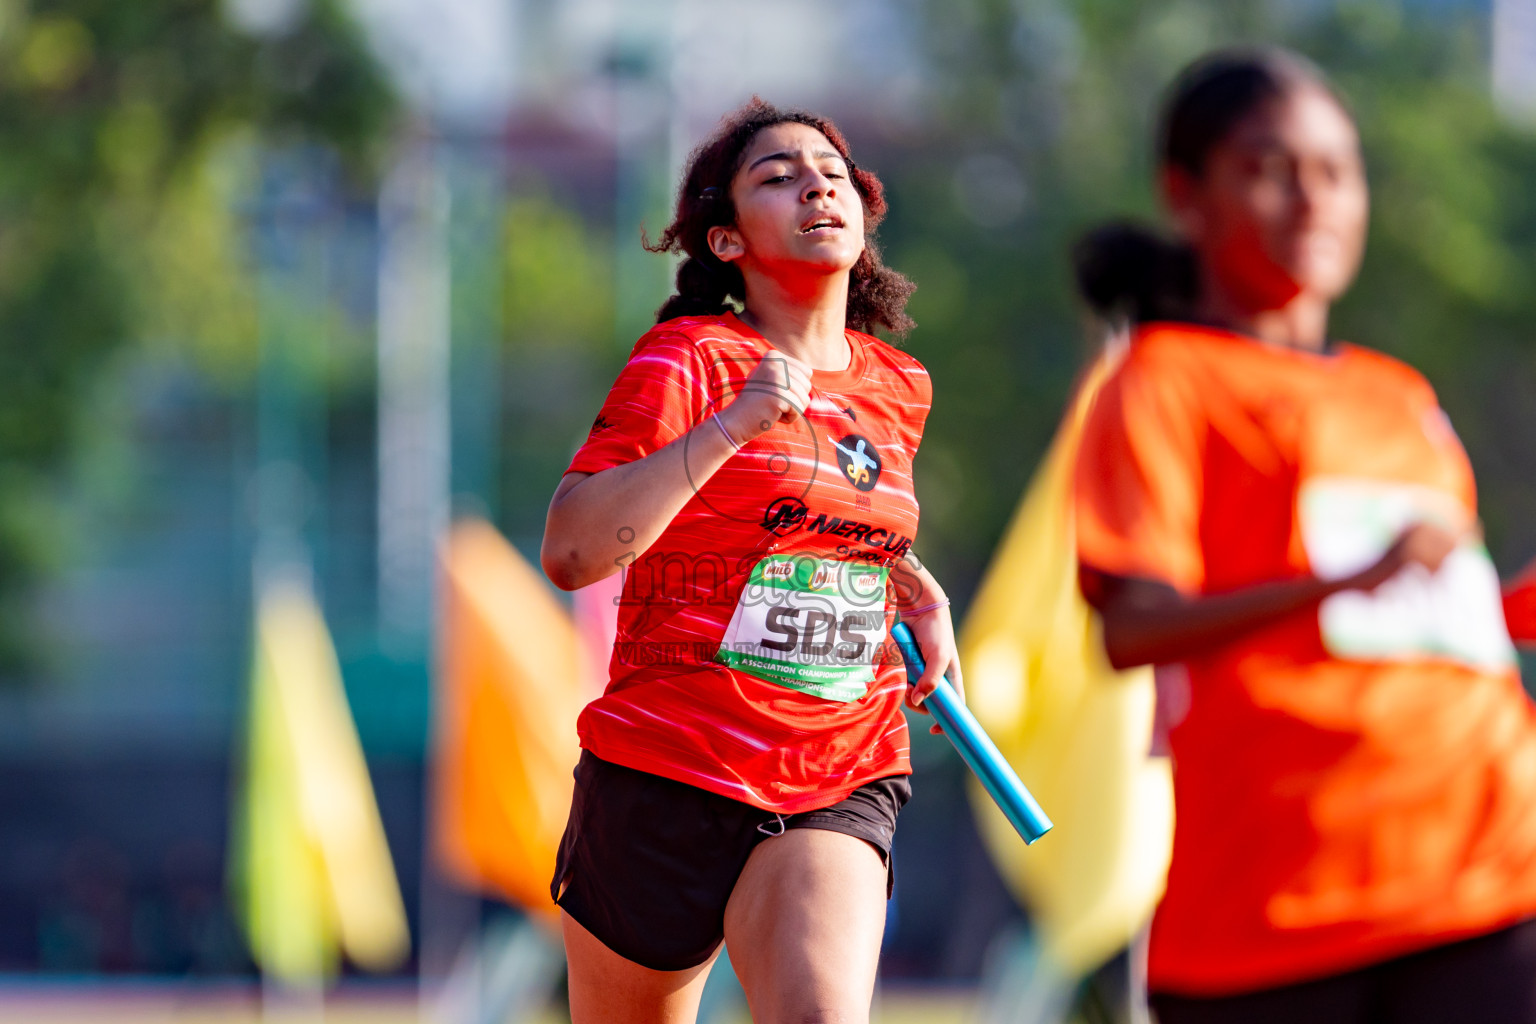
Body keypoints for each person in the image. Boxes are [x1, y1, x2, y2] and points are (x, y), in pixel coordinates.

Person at [1071, 48, 1536, 1023]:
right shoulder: (1162, 380)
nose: (1314, 198)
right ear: (1185, 195)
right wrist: (1343, 582)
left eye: (1338, 169)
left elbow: (1428, 629)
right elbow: (1137, 631)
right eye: (1270, 167)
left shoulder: (1398, 393)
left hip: (1491, 869)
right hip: (1275, 912)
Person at [539, 98, 960, 1024]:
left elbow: (824, 518)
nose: (816, 182)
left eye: (833, 172)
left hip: (838, 766)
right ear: (727, 242)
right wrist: (734, 424)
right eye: (779, 175)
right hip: (665, 773)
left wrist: (910, 579)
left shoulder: (900, 384)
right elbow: (571, 551)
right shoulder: (688, 360)